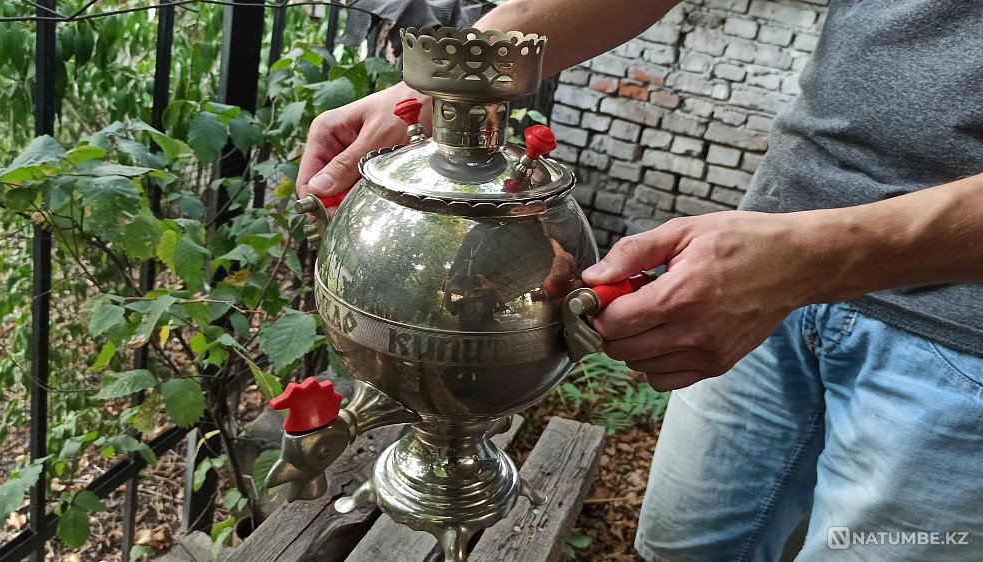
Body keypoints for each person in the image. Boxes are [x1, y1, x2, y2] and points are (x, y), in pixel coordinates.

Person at [295, 0, 983, 559]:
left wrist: (817, 259)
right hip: (773, 237)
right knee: (683, 548)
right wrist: (441, 82)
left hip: (961, 343)